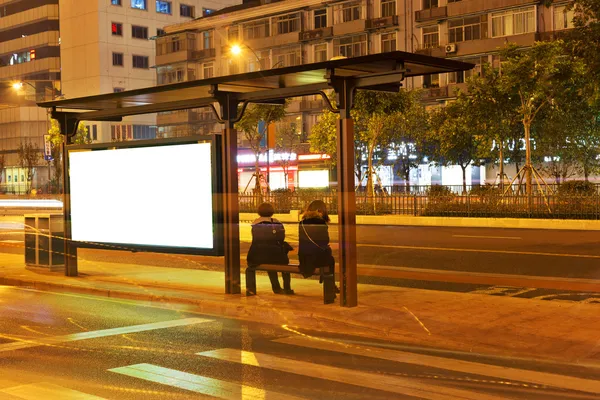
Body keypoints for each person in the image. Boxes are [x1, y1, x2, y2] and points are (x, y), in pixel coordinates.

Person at [246, 203, 294, 294]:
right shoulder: (277, 223)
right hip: (276, 254)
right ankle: (287, 288)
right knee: (285, 265)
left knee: (269, 265)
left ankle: (276, 287)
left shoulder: (255, 224)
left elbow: (255, 239)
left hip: (260, 255)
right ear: (271, 211)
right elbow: (281, 238)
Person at [298, 200, 338, 293]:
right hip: (316, 259)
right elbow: (325, 241)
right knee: (330, 260)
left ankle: (329, 283)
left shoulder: (302, 223)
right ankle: (330, 286)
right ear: (321, 211)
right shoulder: (321, 223)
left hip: (304, 259)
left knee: (326, 256)